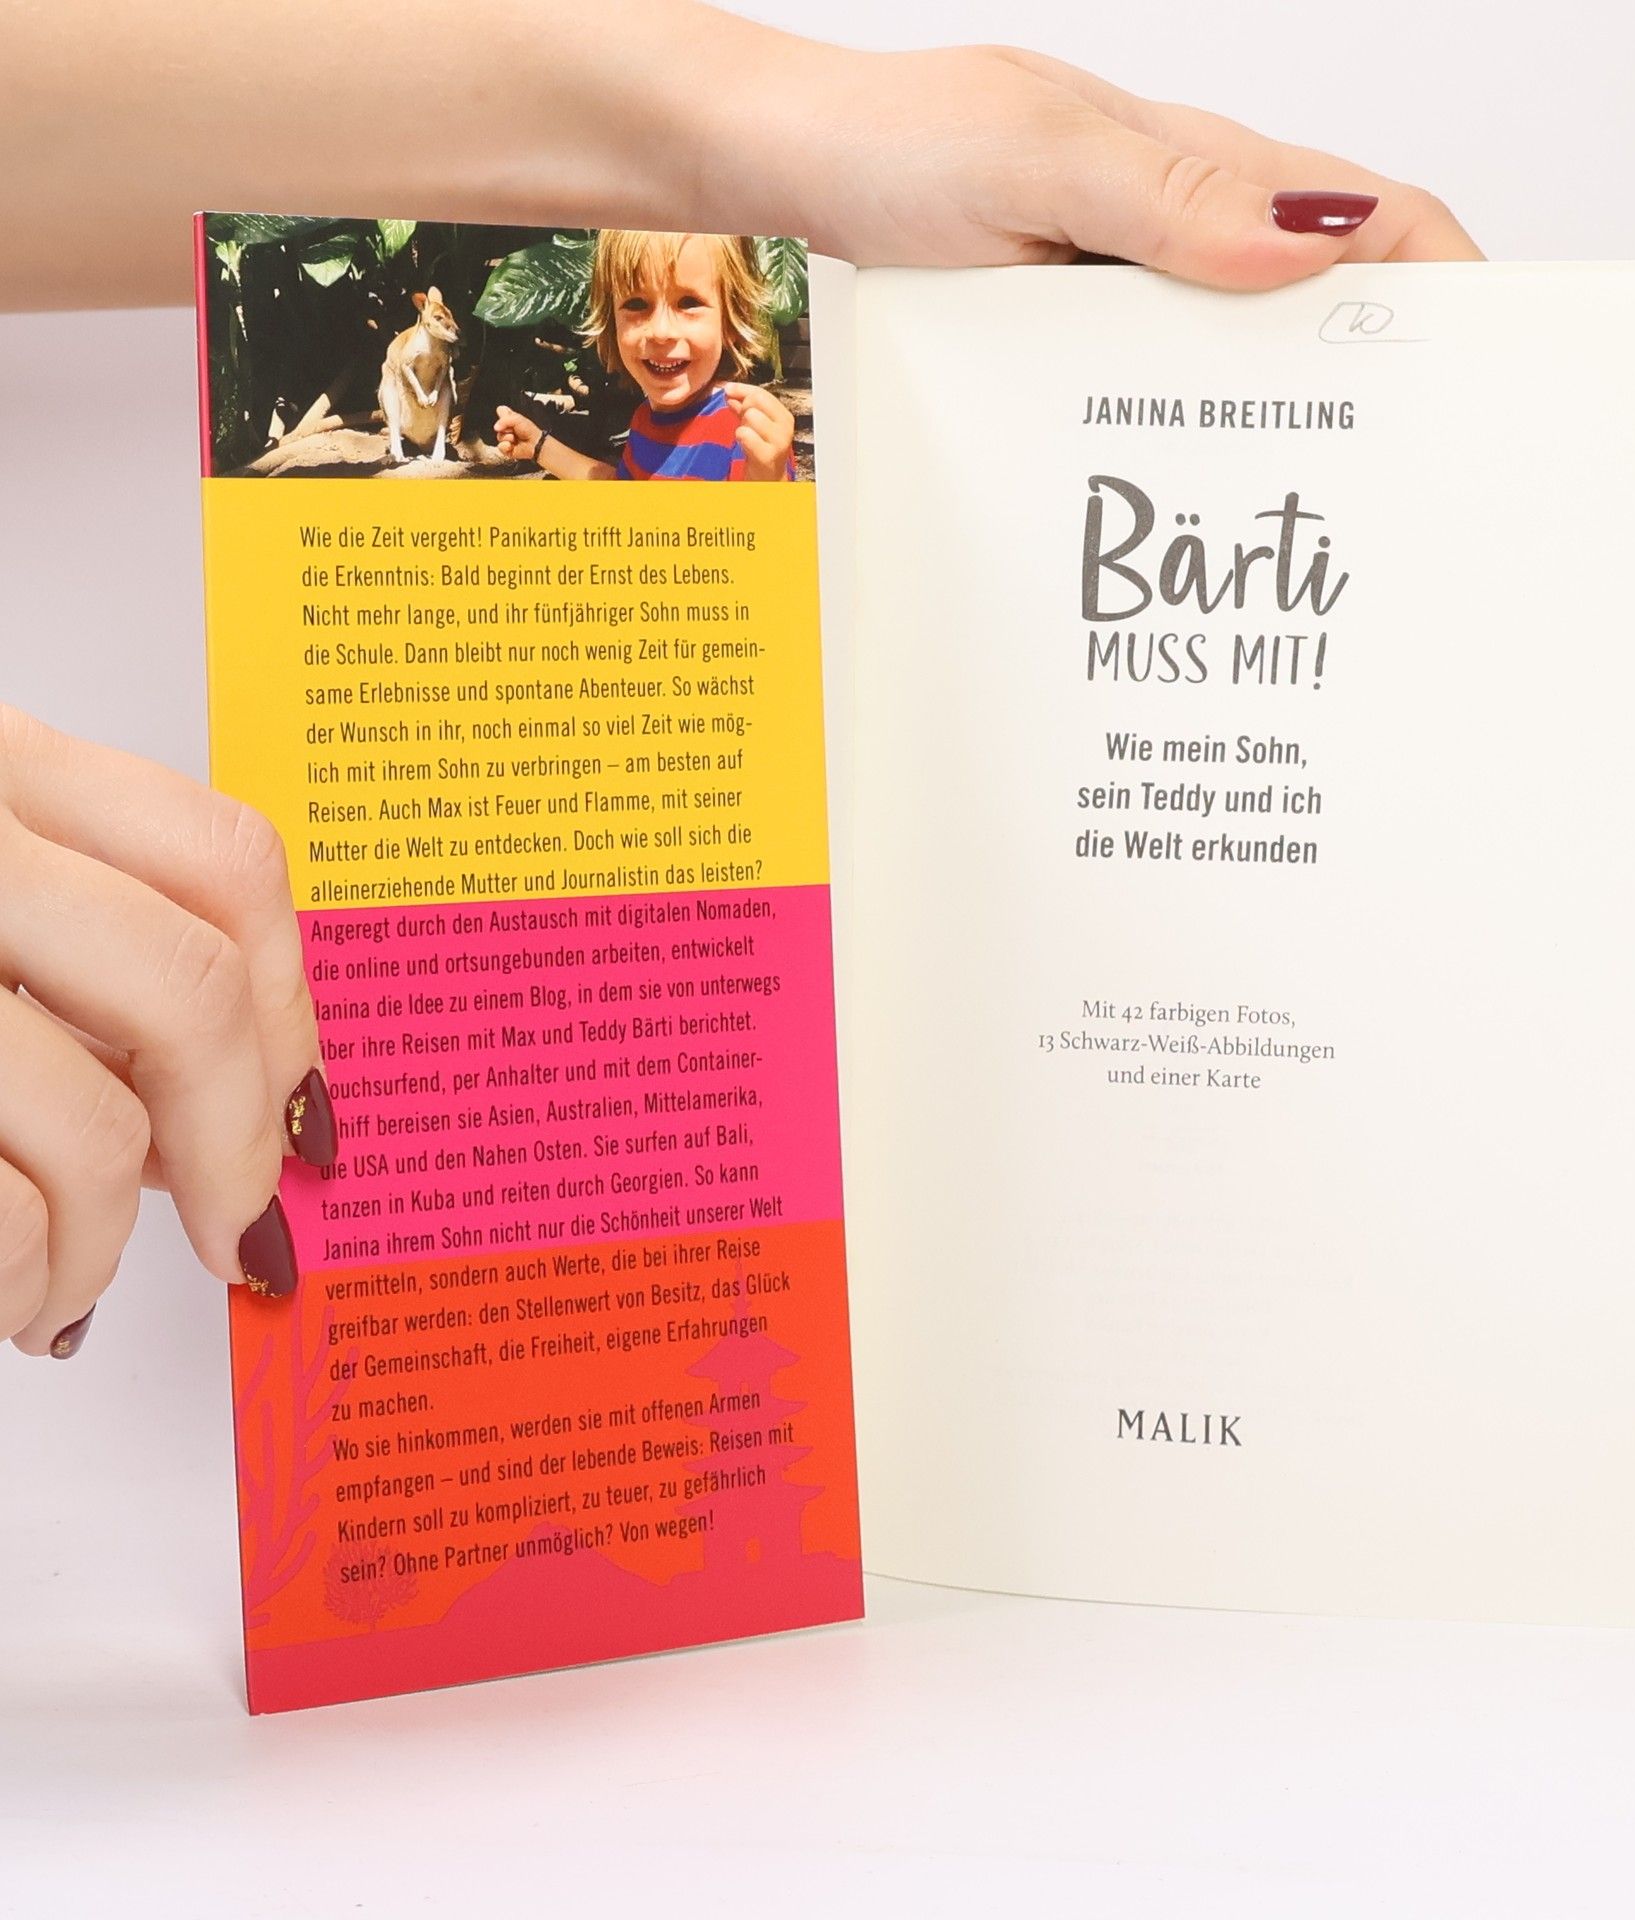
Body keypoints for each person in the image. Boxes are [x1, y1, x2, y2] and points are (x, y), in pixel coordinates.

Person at [0, 0, 1479, 1358]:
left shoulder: (747, 429)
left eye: (692, 310)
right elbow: (634, 494)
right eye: (637, 314)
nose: (661, 337)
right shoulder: (668, 436)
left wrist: (730, 130)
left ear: (739, 327)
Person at [493, 229, 799, 481]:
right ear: (612, 323)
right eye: (637, 304)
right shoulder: (645, 419)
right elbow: (626, 497)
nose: (661, 331)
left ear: (730, 320)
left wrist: (768, 479)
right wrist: (539, 445)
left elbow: (764, 532)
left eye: (688, 303)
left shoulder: (743, 431)